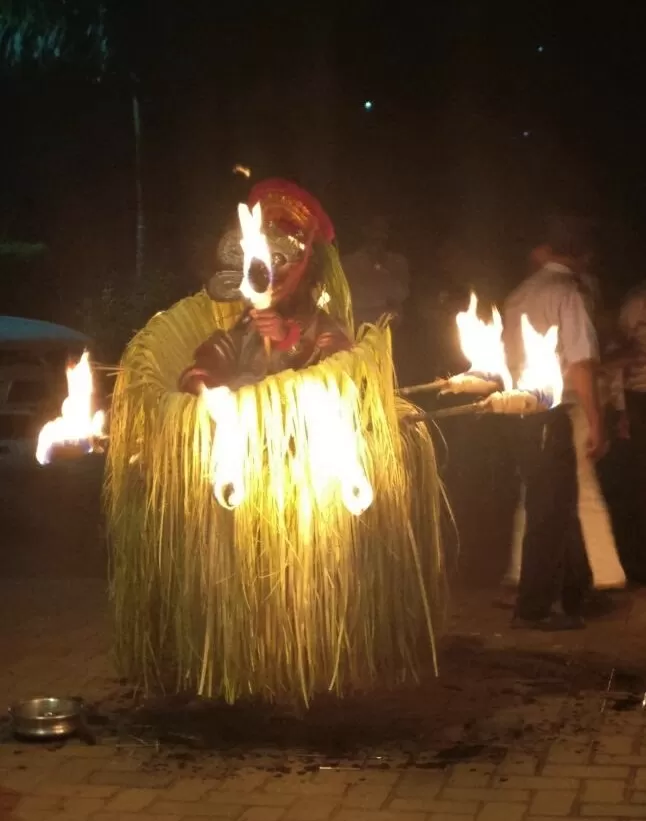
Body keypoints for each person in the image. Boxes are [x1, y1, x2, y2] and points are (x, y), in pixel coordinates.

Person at [503, 215, 607, 630]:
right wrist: (596, 421)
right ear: (584, 256)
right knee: (549, 509)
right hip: (549, 412)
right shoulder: (568, 293)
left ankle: (576, 591)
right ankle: (534, 608)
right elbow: (581, 363)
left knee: (556, 502)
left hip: (519, 413)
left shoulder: (520, 293)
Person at [179, 179, 352, 394]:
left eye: (279, 260)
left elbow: (336, 372)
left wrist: (287, 340)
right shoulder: (251, 322)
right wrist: (203, 376)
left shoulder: (321, 326)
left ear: (309, 269)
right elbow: (227, 347)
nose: (271, 275)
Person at [341, 216, 410, 328]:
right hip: (356, 328)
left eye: (383, 230)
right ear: (365, 230)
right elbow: (352, 297)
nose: (379, 235)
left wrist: (382, 266)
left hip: (390, 329)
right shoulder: (349, 263)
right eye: (374, 229)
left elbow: (401, 294)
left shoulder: (398, 262)